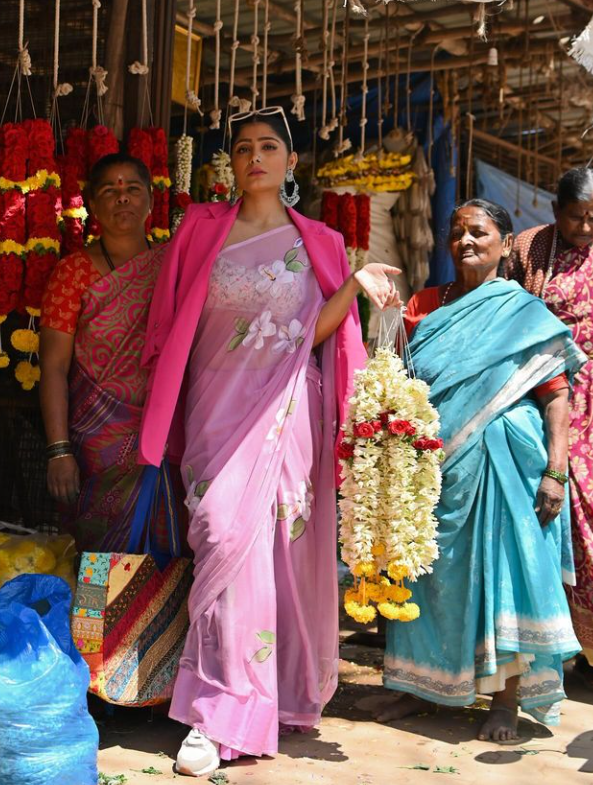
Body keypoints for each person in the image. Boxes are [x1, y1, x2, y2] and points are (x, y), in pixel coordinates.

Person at [138, 106, 401, 776]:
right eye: (244, 147)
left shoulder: (319, 241)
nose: (256, 157)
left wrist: (356, 287)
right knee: (222, 535)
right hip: (213, 413)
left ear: (289, 163)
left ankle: (241, 707)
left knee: (277, 556)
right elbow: (168, 323)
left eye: (269, 147)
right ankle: (214, 707)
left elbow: (316, 337)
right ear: (230, 162)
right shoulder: (198, 229)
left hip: (288, 415)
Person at [377, 199, 585, 742]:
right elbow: (394, 377)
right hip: (429, 466)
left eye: (479, 232)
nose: (466, 241)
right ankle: (415, 685)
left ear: (504, 243)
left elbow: (556, 394)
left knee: (503, 575)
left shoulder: (524, 313)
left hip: (504, 464)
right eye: (457, 232)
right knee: (425, 575)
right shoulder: (423, 303)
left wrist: (556, 471)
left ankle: (505, 701)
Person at [40, 153, 181, 554]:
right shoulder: (73, 274)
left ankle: (160, 617)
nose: (123, 198)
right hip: (96, 443)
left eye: (132, 188)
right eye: (110, 190)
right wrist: (59, 450)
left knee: (167, 543)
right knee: (98, 553)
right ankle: (95, 616)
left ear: (151, 202)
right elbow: (53, 367)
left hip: (164, 436)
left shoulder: (172, 266)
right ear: (93, 205)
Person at [505, 168, 593, 686]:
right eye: (576, 216)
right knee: (554, 517)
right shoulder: (528, 249)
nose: (585, 226)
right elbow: (506, 310)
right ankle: (562, 646)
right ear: (555, 211)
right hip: (547, 396)